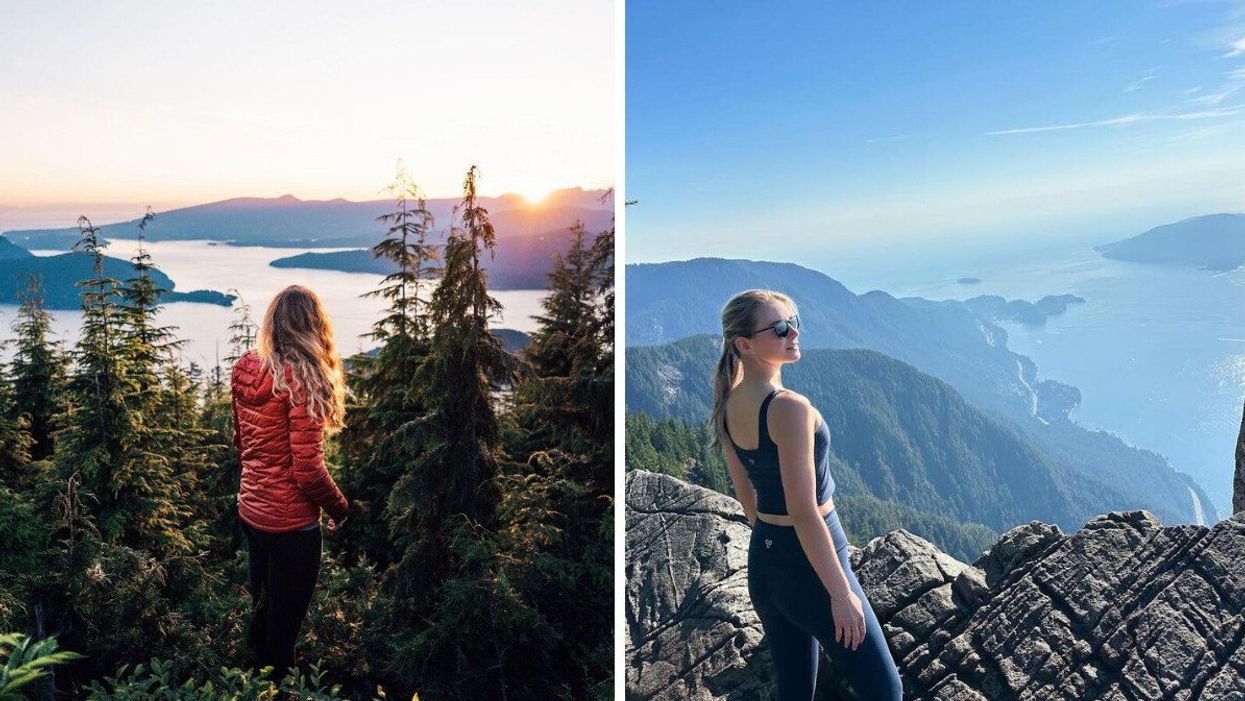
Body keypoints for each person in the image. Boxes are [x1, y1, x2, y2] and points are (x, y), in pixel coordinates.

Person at [712, 289, 903, 701]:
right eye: (779, 329)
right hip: (810, 563)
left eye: (794, 321)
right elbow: (804, 511)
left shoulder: (729, 404)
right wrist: (839, 594)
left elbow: (749, 500)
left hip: (765, 563)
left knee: (797, 691)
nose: (793, 333)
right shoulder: (788, 408)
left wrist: (776, 546)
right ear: (745, 344)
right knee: (885, 691)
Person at [231, 284, 350, 682]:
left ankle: (246, 685)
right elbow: (308, 470)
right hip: (291, 527)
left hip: (252, 511)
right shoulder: (304, 378)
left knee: (262, 615)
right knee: (283, 635)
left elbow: (241, 443)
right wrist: (340, 508)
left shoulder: (246, 367)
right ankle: (275, 689)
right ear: (314, 325)